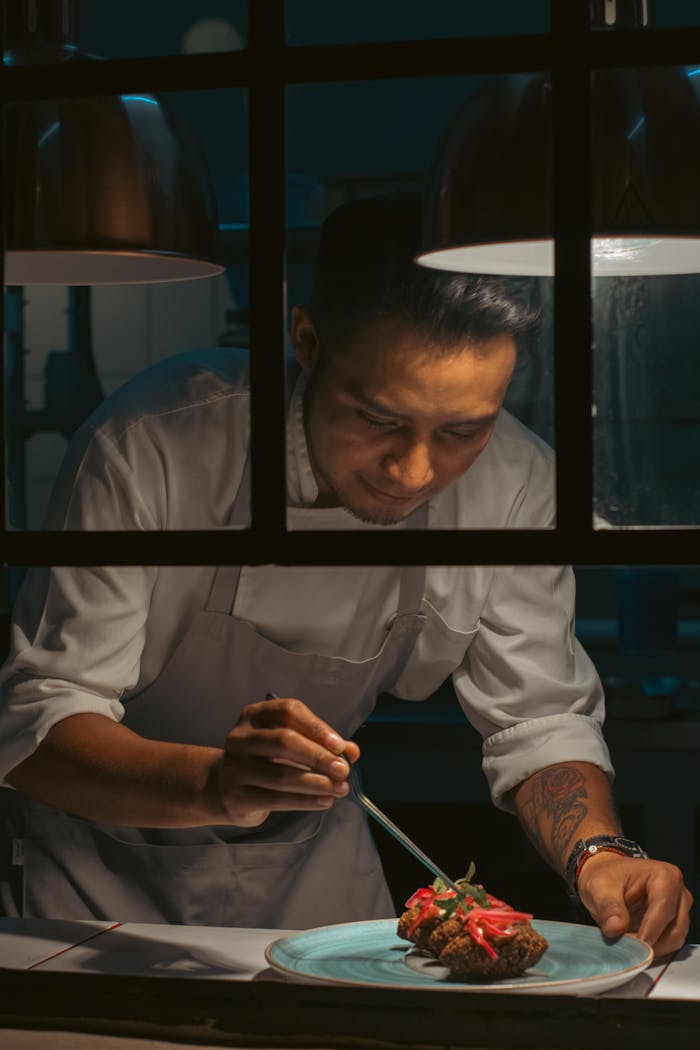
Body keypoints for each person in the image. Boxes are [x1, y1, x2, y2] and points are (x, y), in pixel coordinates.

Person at [0, 195, 691, 952]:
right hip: (95, 880)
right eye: (378, 419)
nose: (415, 469)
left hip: (317, 880)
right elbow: (36, 721)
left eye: (462, 430)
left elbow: (539, 717)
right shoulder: (155, 441)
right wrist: (215, 785)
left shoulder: (517, 481)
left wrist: (597, 854)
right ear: (306, 340)